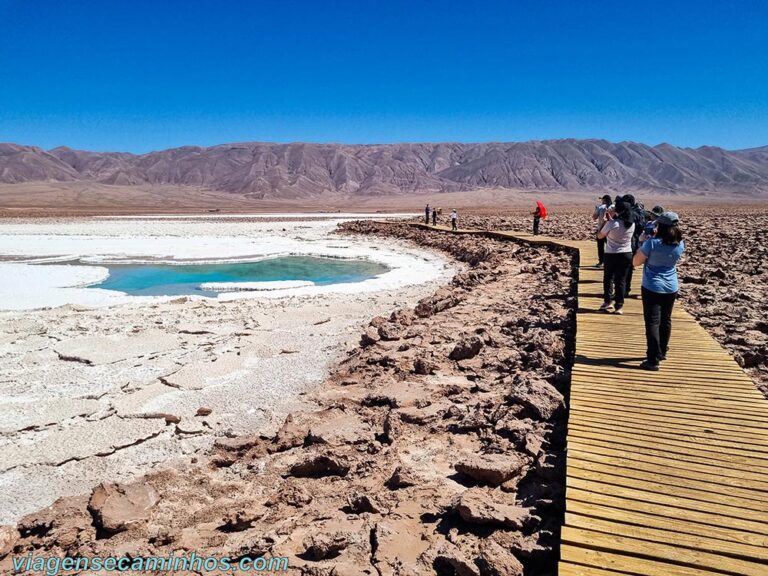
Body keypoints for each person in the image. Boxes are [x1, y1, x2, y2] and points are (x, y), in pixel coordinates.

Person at [633, 212, 684, 371]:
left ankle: (653, 360)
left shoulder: (652, 244)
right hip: (671, 287)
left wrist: (645, 248)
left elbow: (636, 262)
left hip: (652, 287)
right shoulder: (680, 243)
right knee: (666, 319)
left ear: (659, 226)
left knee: (652, 322)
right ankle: (662, 351)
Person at [597, 201, 635, 314]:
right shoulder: (632, 224)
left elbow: (600, 236)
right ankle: (619, 306)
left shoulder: (612, 224)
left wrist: (605, 222)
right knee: (621, 280)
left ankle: (607, 301)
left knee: (608, 278)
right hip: (626, 254)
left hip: (611, 254)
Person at [621, 194, 646, 297]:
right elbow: (641, 227)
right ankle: (626, 289)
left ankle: (623, 290)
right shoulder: (639, 213)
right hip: (634, 242)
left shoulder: (629, 214)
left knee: (622, 268)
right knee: (629, 267)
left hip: (627, 243)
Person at [592, 194, 612, 266]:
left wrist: (596, 210)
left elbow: (594, 217)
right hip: (611, 230)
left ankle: (601, 262)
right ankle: (610, 262)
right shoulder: (613, 207)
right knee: (610, 246)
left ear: (604, 200)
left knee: (600, 246)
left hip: (601, 229)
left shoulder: (600, 207)